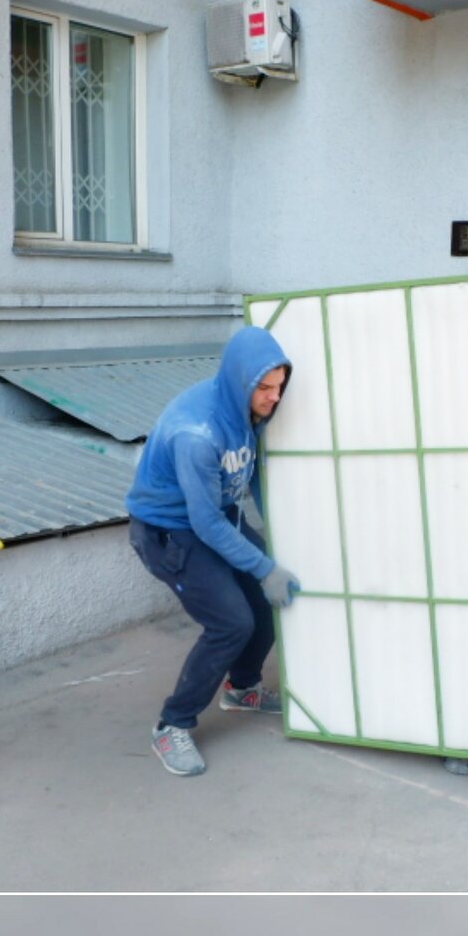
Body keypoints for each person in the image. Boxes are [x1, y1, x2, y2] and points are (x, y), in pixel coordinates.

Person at [126, 326, 301, 777]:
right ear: (242, 381)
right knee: (231, 623)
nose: (274, 397)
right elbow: (203, 523)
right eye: (265, 388)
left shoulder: (245, 408)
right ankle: (172, 724)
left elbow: (251, 472)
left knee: (264, 603)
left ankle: (242, 689)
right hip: (170, 532)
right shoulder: (197, 432)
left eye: (279, 386)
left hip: (215, 517)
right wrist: (264, 567)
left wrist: (281, 529)